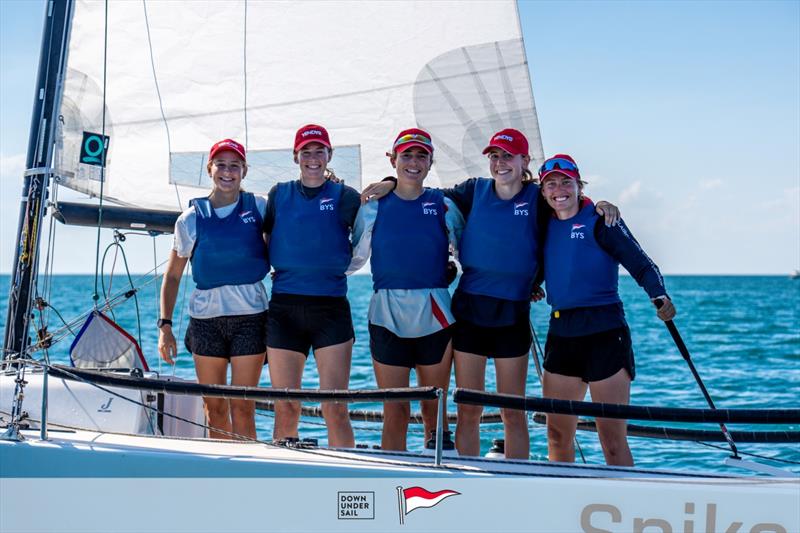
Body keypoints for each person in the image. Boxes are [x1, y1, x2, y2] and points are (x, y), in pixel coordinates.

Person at [361, 129, 619, 458]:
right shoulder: (473, 191)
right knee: (470, 409)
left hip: (512, 313)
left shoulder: (537, 197)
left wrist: (599, 204)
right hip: (470, 312)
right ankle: (469, 477)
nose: (500, 163)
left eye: (508, 156)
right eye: (495, 156)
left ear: (524, 161)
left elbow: (566, 201)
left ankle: (517, 482)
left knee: (513, 411)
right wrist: (390, 182)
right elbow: (421, 192)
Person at [538, 154, 676, 466]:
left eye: (566, 181)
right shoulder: (541, 223)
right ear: (543, 191)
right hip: (563, 332)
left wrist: (659, 296)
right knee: (558, 437)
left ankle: (626, 508)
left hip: (605, 332)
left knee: (612, 441)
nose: (559, 189)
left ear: (578, 185)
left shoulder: (601, 220)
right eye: (551, 184)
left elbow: (641, 263)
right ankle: (559, 503)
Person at [348, 128, 462, 451]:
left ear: (430, 161)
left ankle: (441, 484)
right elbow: (353, 260)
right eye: (407, 155)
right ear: (393, 159)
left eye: (421, 155)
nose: (414, 162)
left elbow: (470, 255)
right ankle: (391, 484)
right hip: (387, 316)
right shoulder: (373, 207)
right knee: (395, 411)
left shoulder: (444, 205)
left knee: (434, 412)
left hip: (435, 317)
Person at [158, 139, 268, 440]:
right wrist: (165, 326)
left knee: (243, 406)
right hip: (206, 322)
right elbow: (172, 276)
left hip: (251, 319)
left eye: (235, 165)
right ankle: (223, 475)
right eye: (221, 164)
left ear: (244, 170)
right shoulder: (190, 219)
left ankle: (248, 474)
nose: (228, 172)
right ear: (210, 169)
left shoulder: (259, 207)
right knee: (215, 406)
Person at [264, 124, 359, 448]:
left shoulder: (346, 197)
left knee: (335, 408)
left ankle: (347, 481)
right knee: (286, 406)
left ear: (329, 155)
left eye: (320, 151)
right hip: (285, 308)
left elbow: (369, 229)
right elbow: (266, 236)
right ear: (296, 157)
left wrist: (388, 182)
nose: (313, 158)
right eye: (307, 151)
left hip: (330, 308)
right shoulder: (279, 194)